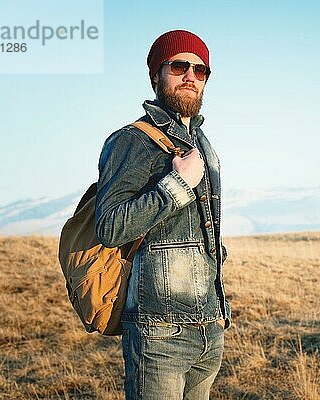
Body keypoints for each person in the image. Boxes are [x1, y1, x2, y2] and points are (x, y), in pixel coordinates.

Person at [94, 29, 231, 400]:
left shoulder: (204, 144)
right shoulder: (131, 140)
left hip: (209, 330)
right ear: (157, 74)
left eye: (200, 70)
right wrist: (175, 186)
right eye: (180, 66)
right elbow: (109, 226)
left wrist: (219, 312)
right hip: (159, 337)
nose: (191, 75)